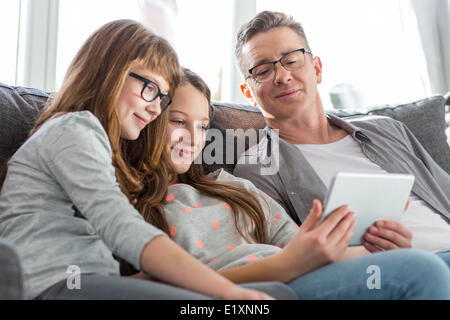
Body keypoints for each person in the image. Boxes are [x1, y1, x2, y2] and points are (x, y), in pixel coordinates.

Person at [0, 19, 292, 300]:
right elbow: (123, 228)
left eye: (162, 98)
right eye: (149, 89)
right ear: (110, 73)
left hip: (90, 282)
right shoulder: (73, 130)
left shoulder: (96, 144)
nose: (155, 110)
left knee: (273, 294)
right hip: (55, 286)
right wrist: (226, 291)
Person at [132, 66, 450, 299]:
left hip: (298, 274)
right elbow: (143, 282)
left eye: (202, 126)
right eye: (178, 121)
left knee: (428, 263)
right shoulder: (127, 202)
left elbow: (300, 248)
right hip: (270, 288)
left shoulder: (232, 187)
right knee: (423, 270)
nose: (193, 137)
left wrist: (376, 246)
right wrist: (286, 265)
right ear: (148, 117)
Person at [232, 11, 450, 265]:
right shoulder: (258, 168)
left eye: (291, 60)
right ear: (248, 92)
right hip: (398, 271)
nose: (282, 76)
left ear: (317, 69)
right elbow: (288, 258)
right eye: (262, 70)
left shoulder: (387, 129)